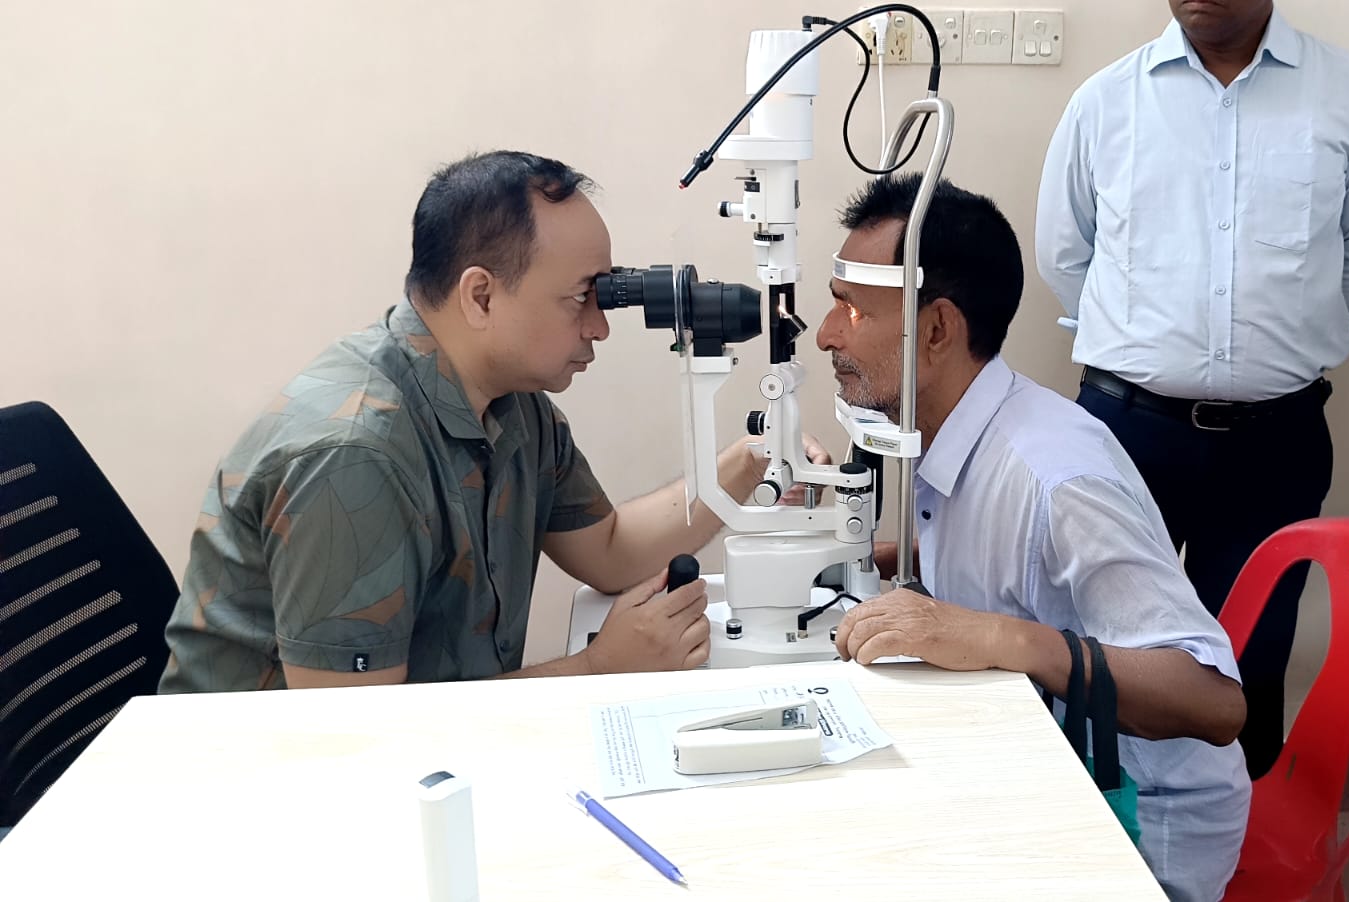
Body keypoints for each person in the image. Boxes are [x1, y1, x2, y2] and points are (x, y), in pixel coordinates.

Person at [161, 151, 822, 692]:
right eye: (581, 299)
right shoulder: (355, 457)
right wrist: (597, 669)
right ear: (481, 296)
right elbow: (355, 734)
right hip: (258, 786)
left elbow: (611, 550)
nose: (599, 328)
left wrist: (752, 459)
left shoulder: (511, 406)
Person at [821, 172, 1249, 902]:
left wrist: (998, 637)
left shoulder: (1057, 481)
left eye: (853, 309)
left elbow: (1214, 703)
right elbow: (1013, 563)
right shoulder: (953, 427)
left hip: (1139, 823)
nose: (828, 334)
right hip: (1040, 761)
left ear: (936, 330)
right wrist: (888, 555)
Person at [1035, 0, 1349, 777]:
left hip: (1274, 441)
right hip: (1125, 430)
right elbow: (1065, 255)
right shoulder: (1105, 99)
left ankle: (1238, 840)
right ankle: (1098, 828)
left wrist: (1277, 342)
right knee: (1096, 649)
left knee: (1250, 661)